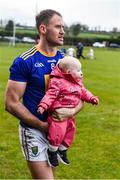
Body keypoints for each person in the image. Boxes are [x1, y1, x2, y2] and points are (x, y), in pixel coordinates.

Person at [4, 9, 84, 179]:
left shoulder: (66, 61)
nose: (63, 31)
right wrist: (42, 126)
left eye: (63, 27)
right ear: (43, 29)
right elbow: (11, 103)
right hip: (34, 131)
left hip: (57, 133)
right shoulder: (25, 60)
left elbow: (81, 96)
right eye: (57, 26)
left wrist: (70, 112)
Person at [37, 56, 99, 167]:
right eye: (79, 70)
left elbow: (83, 92)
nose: (81, 73)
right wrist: (43, 105)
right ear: (69, 72)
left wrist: (91, 98)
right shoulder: (57, 82)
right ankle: (52, 151)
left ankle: (62, 150)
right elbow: (50, 95)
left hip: (70, 114)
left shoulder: (77, 82)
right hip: (58, 114)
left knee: (70, 131)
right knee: (57, 133)